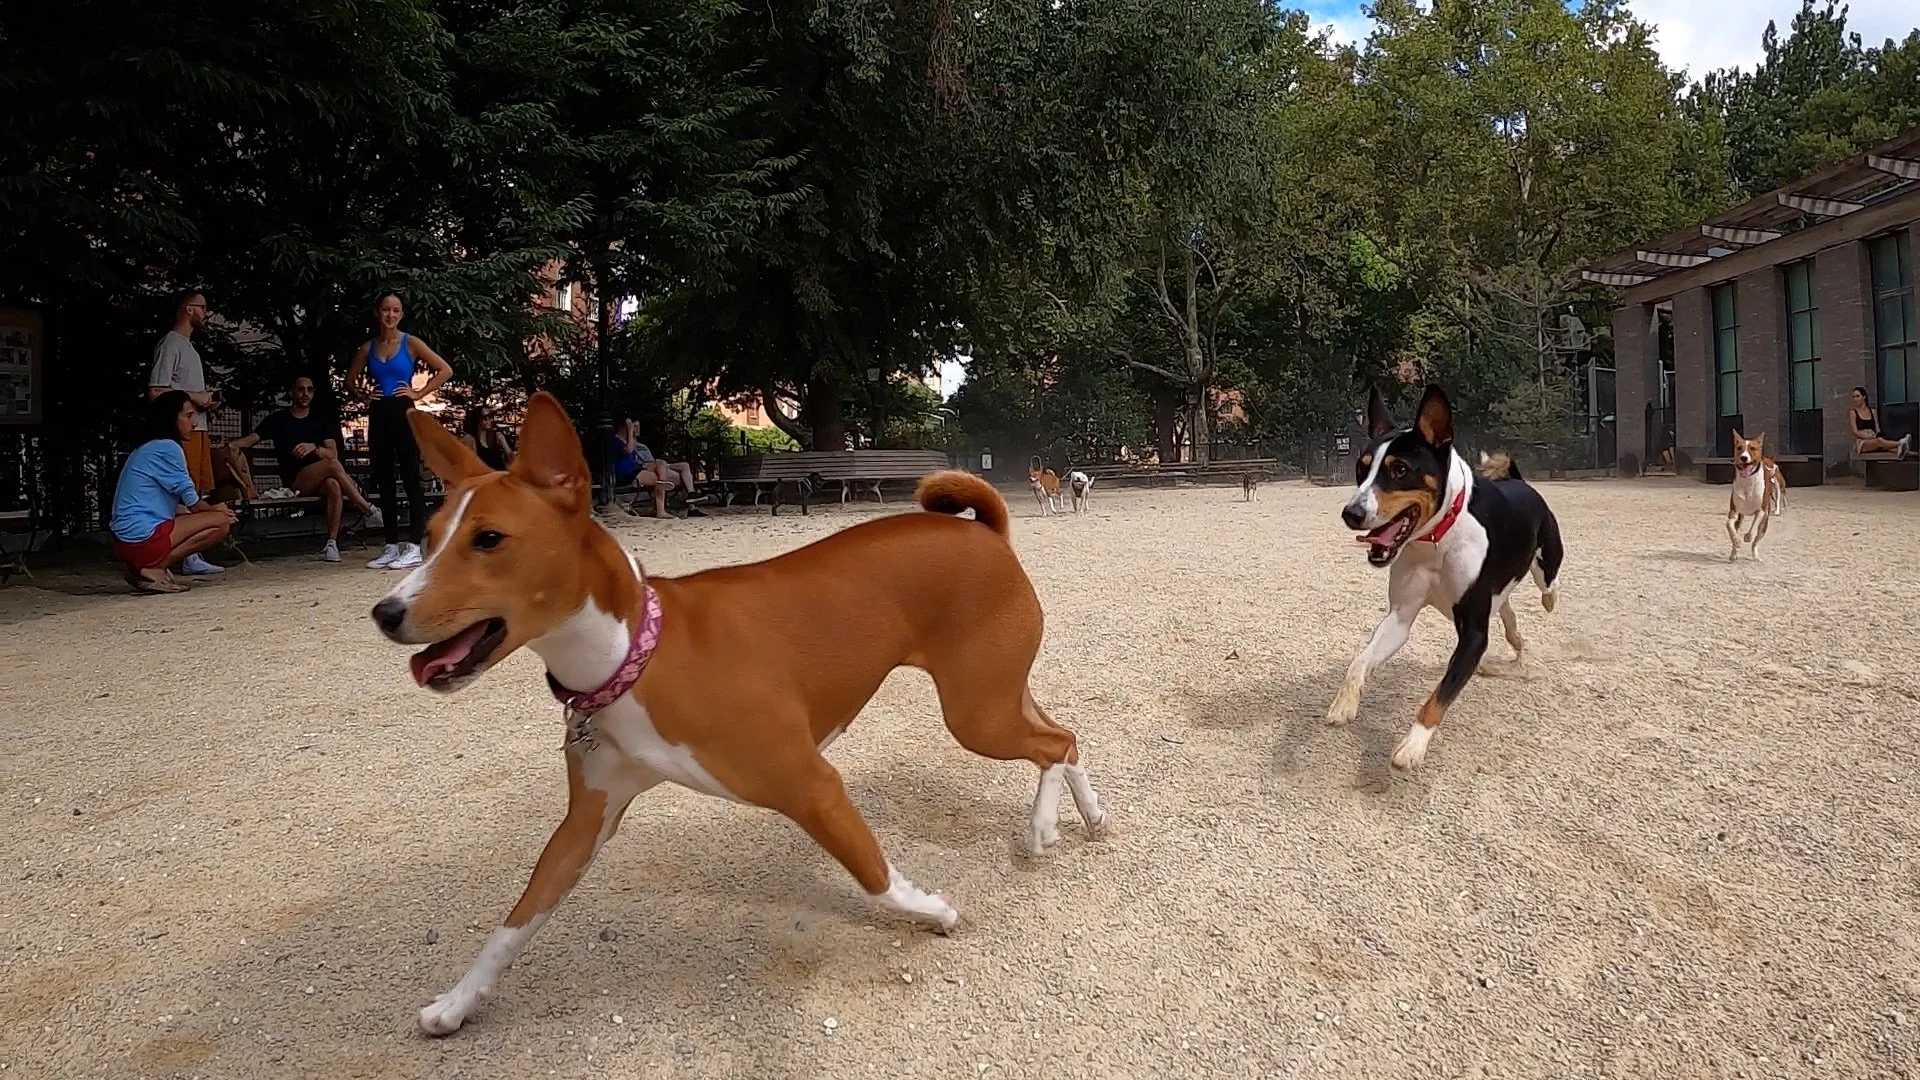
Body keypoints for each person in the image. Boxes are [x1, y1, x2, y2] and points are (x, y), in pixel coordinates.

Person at [345, 290, 452, 570]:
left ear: (401, 314)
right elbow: (350, 380)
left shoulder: (411, 343)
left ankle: (415, 545)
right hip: (379, 412)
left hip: (404, 410)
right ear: (377, 313)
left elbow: (445, 370)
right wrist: (364, 396)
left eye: (396, 310)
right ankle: (391, 545)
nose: (390, 315)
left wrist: (419, 393)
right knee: (384, 476)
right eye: (386, 310)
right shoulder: (369, 348)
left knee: (410, 476)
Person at [228, 374, 383, 562]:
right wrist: (231, 446)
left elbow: (332, 453)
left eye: (309, 389)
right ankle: (367, 510)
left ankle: (331, 544)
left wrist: (314, 448)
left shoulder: (320, 420)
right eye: (301, 389)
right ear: (291, 392)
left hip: (321, 477)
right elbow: (251, 440)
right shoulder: (278, 420)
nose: (305, 394)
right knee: (332, 466)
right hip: (295, 482)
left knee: (333, 484)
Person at [110, 391, 237, 594]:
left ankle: (145, 568)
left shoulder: (147, 448)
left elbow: (172, 505)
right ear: (171, 418)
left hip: (126, 541)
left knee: (215, 517)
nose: (194, 423)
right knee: (221, 523)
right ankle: (154, 568)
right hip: (143, 538)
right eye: (188, 416)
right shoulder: (167, 447)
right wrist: (216, 511)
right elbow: (193, 503)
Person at [147, 288, 226, 575]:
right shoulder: (171, 344)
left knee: (198, 487)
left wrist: (204, 401)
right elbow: (157, 391)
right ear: (188, 309)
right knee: (184, 491)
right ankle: (178, 553)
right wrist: (196, 397)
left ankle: (194, 552)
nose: (206, 313)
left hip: (199, 427)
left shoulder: (189, 348)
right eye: (202, 307)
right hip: (182, 431)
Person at [610, 418, 700, 517]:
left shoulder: (627, 441)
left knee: (661, 465)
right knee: (660, 478)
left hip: (634, 471)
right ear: (623, 426)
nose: (635, 430)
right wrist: (631, 432)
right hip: (626, 475)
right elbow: (629, 450)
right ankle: (660, 510)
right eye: (632, 426)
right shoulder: (616, 440)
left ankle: (665, 500)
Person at [1848, 386, 1911, 458]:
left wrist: (1877, 435)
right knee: (1879, 441)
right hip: (1862, 442)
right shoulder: (1853, 412)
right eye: (1853, 397)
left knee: (1891, 448)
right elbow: (1855, 432)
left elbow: (1877, 428)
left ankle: (1904, 449)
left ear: (1864, 397)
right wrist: (1867, 436)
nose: (1855, 399)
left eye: (1857, 396)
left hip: (1874, 438)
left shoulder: (1872, 411)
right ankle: (1901, 442)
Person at [460, 404, 515, 471]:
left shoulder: (497, 436)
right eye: (486, 418)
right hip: (485, 477)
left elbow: (510, 456)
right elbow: (473, 465)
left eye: (491, 417)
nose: (490, 420)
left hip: (500, 475)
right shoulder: (470, 439)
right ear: (478, 420)